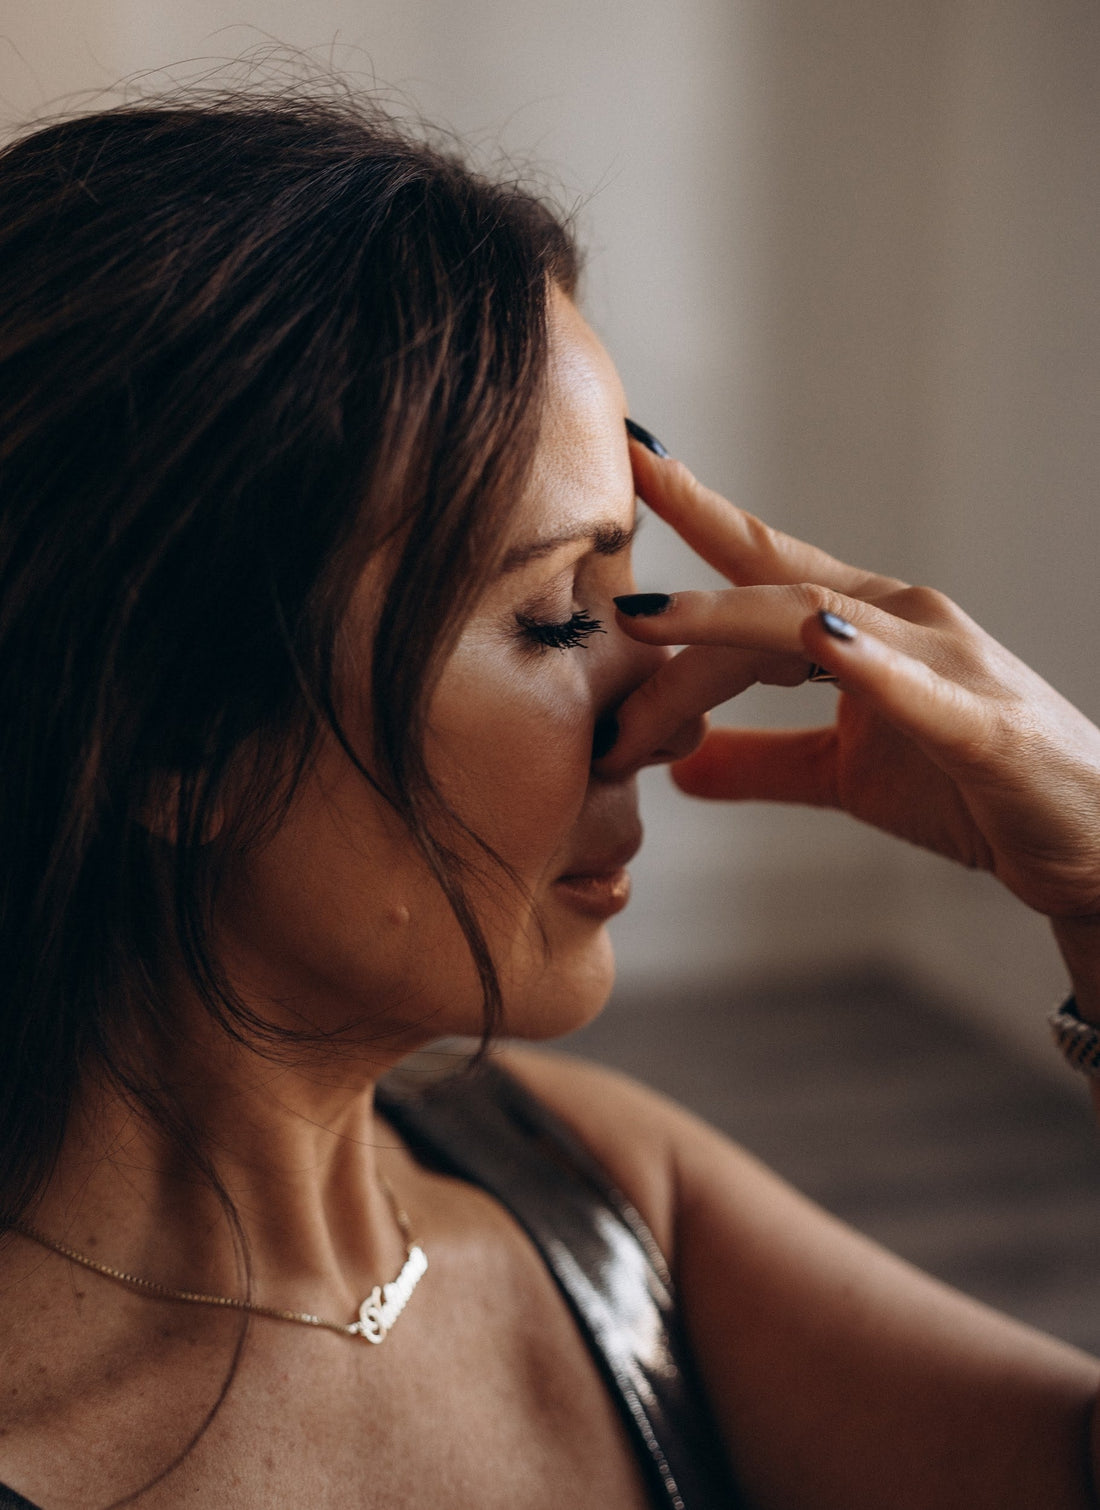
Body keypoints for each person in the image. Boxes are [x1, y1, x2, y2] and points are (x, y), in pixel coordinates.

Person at [0, 87, 1098, 1510]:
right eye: (557, 618)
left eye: (624, 584)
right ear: (182, 735)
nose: (666, 689)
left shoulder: (603, 1193)